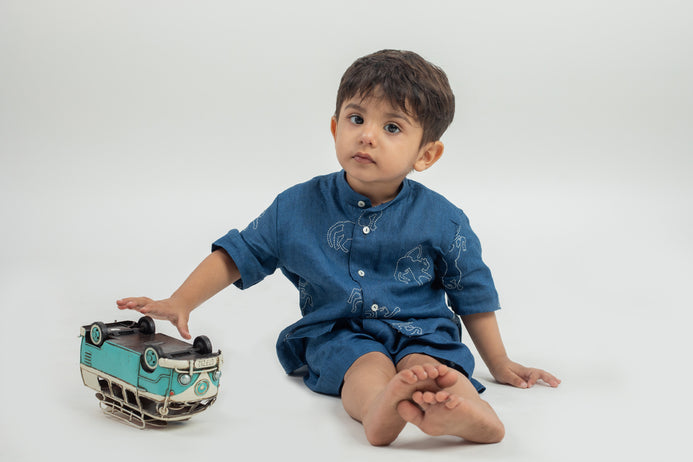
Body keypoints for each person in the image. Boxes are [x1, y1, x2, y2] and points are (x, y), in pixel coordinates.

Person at [118, 49, 560, 446]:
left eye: (392, 127)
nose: (367, 136)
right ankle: (379, 411)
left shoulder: (443, 219)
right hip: (339, 332)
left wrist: (499, 363)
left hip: (423, 330)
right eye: (356, 119)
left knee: (431, 368)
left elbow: (472, 293)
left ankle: (473, 415)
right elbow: (239, 254)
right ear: (334, 128)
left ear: (425, 155)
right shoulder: (297, 206)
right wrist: (181, 300)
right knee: (365, 367)